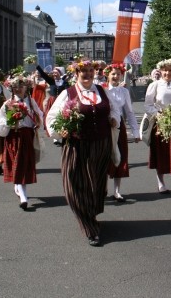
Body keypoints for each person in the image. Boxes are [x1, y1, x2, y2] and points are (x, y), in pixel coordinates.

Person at [46, 58, 121, 246]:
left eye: (90, 71)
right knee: (76, 185)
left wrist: (113, 119)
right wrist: (59, 131)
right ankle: (89, 227)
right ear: (76, 74)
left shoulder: (102, 91)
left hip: (101, 145)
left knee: (96, 185)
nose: (87, 75)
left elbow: (114, 110)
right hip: (77, 146)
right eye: (83, 72)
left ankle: (91, 215)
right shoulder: (68, 93)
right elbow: (52, 116)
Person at [0, 75, 43, 211]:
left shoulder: (31, 101)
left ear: (26, 87)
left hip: (28, 137)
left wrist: (37, 121)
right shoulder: (8, 103)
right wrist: (9, 122)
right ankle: (23, 195)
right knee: (18, 164)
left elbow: (40, 115)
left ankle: (19, 189)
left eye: (21, 86)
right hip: (14, 137)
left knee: (24, 165)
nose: (18, 89)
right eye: (15, 87)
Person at [144, 58, 171, 196]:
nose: (167, 73)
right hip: (161, 120)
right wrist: (158, 115)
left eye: (170, 70)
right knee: (161, 152)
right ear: (160, 71)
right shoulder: (155, 85)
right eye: (165, 70)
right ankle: (161, 183)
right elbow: (147, 105)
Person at [105, 63, 140, 203]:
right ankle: (102, 188)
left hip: (119, 127)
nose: (116, 76)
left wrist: (136, 131)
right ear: (107, 75)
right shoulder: (101, 90)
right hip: (104, 127)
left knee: (120, 156)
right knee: (103, 158)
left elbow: (130, 113)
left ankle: (117, 191)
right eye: (113, 74)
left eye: (118, 74)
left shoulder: (124, 92)